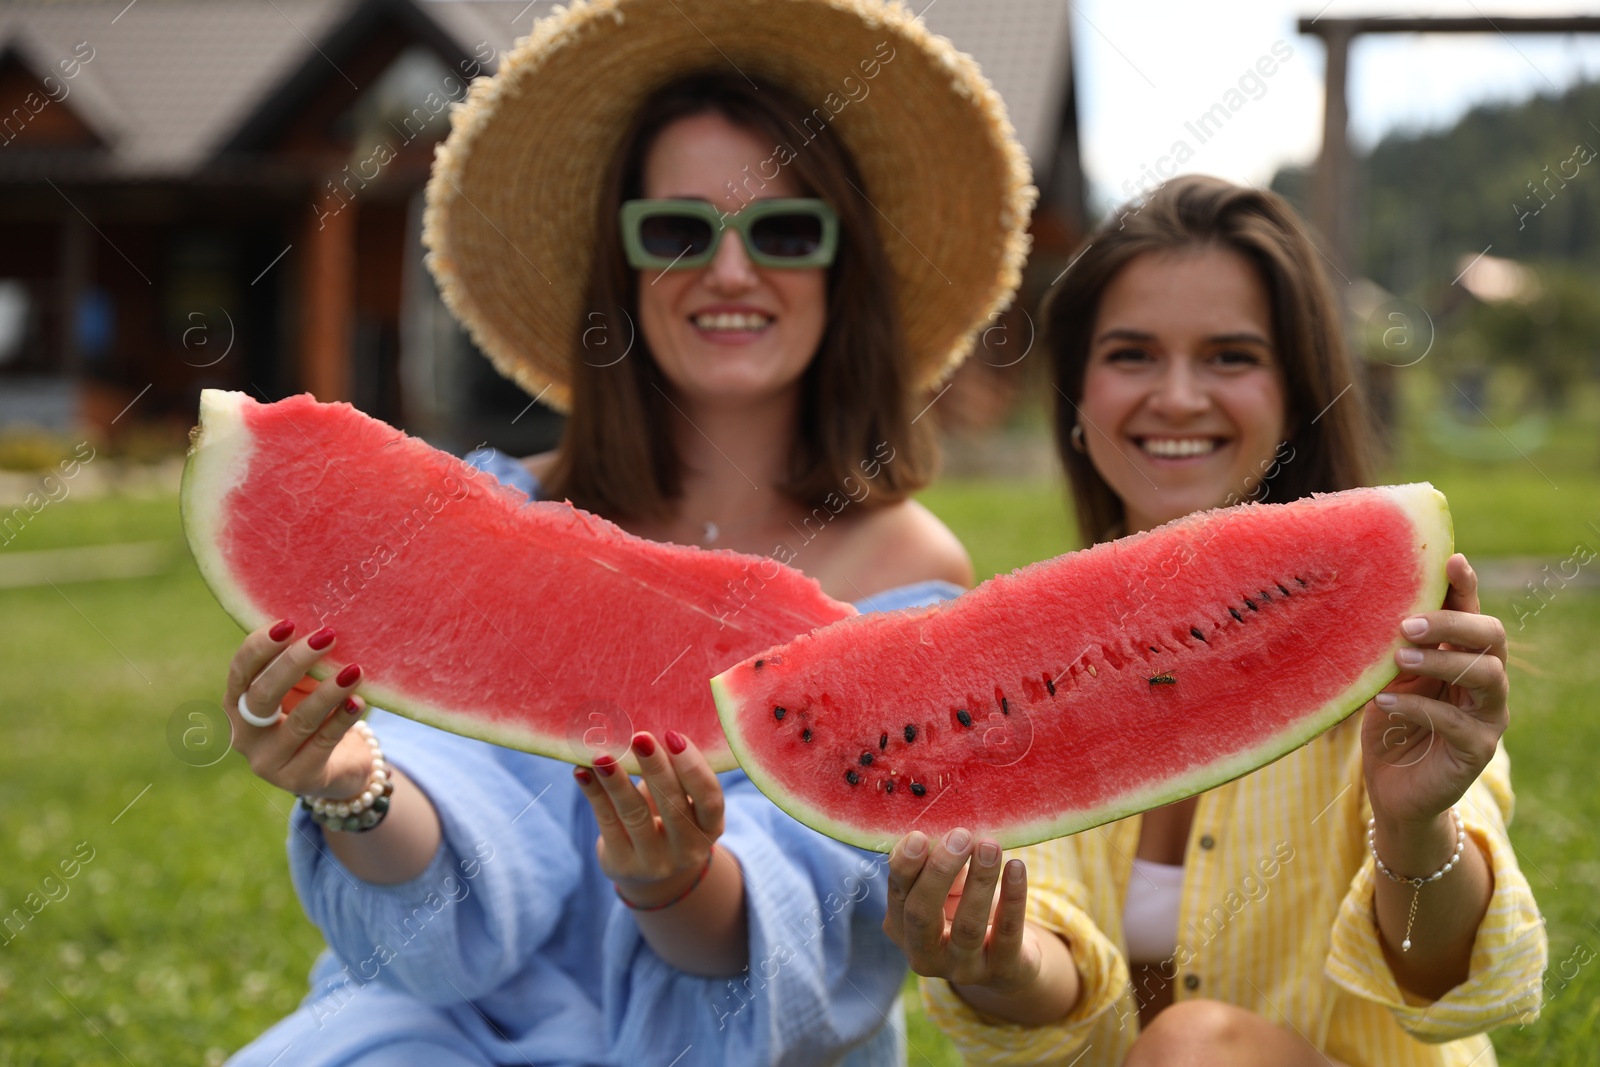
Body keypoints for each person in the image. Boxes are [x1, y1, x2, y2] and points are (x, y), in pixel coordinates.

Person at [222, 1, 1036, 1064]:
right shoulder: (490, 516)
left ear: (844, 271)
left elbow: (819, 924)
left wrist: (675, 879)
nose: (731, 272)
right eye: (678, 230)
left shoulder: (906, 572)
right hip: (446, 1031)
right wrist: (350, 783)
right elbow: (445, 876)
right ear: (623, 263)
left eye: (786, 229)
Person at [882, 175, 1547, 1066]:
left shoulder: (1398, 642)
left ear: (1295, 390)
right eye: (1132, 354)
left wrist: (1416, 825)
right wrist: (989, 955)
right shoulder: (1011, 673)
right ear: (1077, 395)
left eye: (1231, 356)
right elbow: (1050, 963)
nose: (1180, 396)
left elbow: (1444, 982)